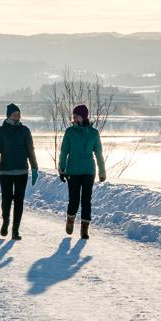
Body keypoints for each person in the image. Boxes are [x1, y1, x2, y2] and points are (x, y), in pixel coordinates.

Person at [0, 103, 39, 240]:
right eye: (14, 113)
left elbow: (31, 150)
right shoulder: (0, 131)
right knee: (6, 199)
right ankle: (6, 221)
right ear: (8, 115)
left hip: (21, 171)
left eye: (18, 113)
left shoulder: (25, 131)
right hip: (5, 171)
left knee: (19, 201)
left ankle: (15, 230)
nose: (17, 116)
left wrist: (34, 168)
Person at [58, 103, 106, 240]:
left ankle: (84, 229)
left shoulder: (94, 133)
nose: (74, 118)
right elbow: (64, 152)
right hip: (73, 170)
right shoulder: (70, 132)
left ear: (84, 117)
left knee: (86, 200)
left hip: (88, 171)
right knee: (74, 200)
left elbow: (98, 153)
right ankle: (70, 219)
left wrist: (102, 172)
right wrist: (62, 169)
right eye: (73, 116)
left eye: (77, 116)